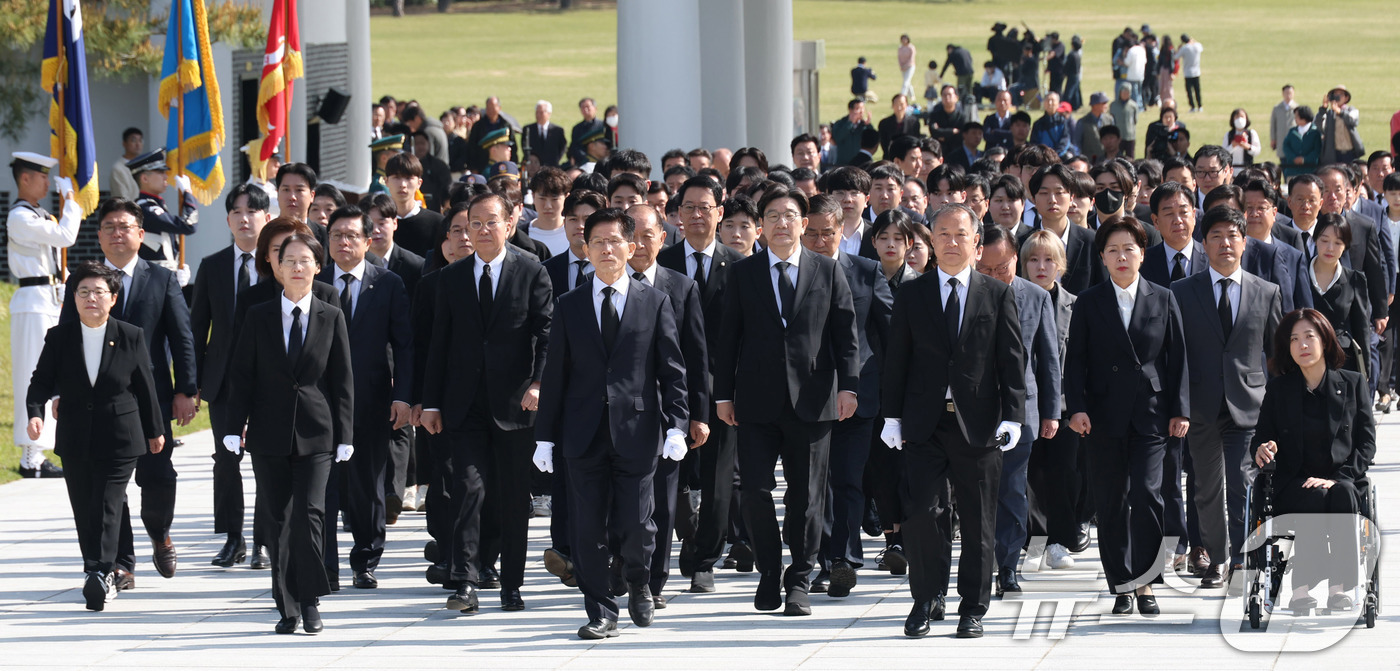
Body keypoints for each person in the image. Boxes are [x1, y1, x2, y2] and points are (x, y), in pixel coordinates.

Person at [533, 208, 688, 639]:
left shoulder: (654, 301)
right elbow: (556, 374)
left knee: (637, 522)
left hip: (637, 431)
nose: (605, 249)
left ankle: (638, 581)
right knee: (587, 527)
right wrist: (544, 437)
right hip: (582, 433)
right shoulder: (569, 304)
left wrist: (677, 422)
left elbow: (672, 368)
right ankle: (601, 610)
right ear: (585, 248)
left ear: (631, 247)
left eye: (614, 241)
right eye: (596, 241)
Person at [713, 185, 860, 616]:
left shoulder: (828, 271)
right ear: (761, 225)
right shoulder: (742, 273)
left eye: (790, 215)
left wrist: (849, 387)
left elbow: (846, 336)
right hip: (755, 401)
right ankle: (768, 571)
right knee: (755, 490)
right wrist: (723, 394)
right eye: (773, 215)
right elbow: (728, 341)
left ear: (803, 223)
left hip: (813, 400)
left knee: (808, 496)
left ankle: (799, 578)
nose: (781, 223)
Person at [882, 203, 1025, 638]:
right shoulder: (912, 293)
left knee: (979, 518)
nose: (950, 242)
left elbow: (1012, 360)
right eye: (942, 234)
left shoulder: (996, 294)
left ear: (976, 244)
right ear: (929, 241)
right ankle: (926, 599)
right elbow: (896, 361)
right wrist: (891, 417)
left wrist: (1014, 416)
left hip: (978, 425)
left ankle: (973, 607)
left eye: (960, 234)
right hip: (924, 424)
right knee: (923, 515)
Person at [419, 194, 552, 613]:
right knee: (468, 489)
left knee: (513, 499)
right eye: (473, 223)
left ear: (509, 224)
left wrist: (538, 383)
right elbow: (437, 345)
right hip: (465, 405)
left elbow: (547, 335)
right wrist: (432, 403)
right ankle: (465, 581)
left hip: (515, 407)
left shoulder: (532, 272)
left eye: (490, 222)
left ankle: (512, 584)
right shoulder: (451, 278)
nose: (480, 230)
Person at [60, 197, 198, 588]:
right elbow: (65, 341)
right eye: (109, 228)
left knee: (156, 478)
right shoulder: (83, 282)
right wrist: (58, 392)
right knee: (108, 486)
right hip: (97, 405)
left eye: (125, 227)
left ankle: (160, 533)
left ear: (140, 234)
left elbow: (182, 337)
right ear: (99, 236)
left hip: (150, 400)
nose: (117, 235)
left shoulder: (162, 278)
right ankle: (122, 563)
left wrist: (186, 389)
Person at [223, 233, 354, 635]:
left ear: (318, 266)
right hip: (268, 434)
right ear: (277, 268)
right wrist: (232, 427)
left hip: (317, 435)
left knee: (311, 517)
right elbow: (242, 376)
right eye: (289, 261)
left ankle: (311, 600)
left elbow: (342, 380)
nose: (297, 267)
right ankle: (287, 603)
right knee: (277, 520)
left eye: (305, 260)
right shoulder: (258, 316)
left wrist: (346, 434)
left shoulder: (331, 315)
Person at [1065, 215, 1189, 616]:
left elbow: (1177, 359)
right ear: (1102, 256)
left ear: (1142, 254)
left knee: (1148, 495)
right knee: (1111, 501)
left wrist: (1180, 410)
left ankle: (1147, 582)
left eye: (1129, 249)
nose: (1122, 256)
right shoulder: (1088, 301)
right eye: (1113, 250)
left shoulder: (1163, 297)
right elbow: (1076, 361)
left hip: (1151, 414)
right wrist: (1076, 407)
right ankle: (1121, 583)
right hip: (1102, 415)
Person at [27, 261, 163, 611]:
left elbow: (145, 387)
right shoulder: (60, 337)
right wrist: (36, 413)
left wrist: (155, 431)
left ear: (113, 298)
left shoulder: (130, 334)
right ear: (73, 299)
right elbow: (40, 381)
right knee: (84, 505)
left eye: (99, 292)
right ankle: (94, 567)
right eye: (83, 292)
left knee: (106, 500)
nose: (91, 298)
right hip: (74, 436)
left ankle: (101, 571)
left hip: (120, 435)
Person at [1171, 207, 1282, 588]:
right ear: (1204, 244)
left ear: (1245, 243)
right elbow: (1176, 353)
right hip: (1199, 407)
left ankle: (1240, 558)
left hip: (1248, 406)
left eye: (1232, 235)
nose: (1225, 243)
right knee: (1205, 487)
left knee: (1241, 480)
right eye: (1216, 236)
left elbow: (1276, 357)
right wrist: (1178, 406)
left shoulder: (1266, 292)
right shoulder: (1182, 292)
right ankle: (1217, 558)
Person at [799, 195, 892, 598]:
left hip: (859, 393)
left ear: (843, 232)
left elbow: (891, 331)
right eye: (813, 234)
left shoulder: (867, 271)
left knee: (848, 480)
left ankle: (843, 559)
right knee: (813, 484)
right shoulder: (793, 274)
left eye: (828, 233)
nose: (820, 241)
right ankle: (821, 559)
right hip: (805, 395)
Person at [1252, 309, 1374, 614]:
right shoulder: (1279, 390)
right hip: (1293, 482)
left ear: (1325, 340)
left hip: (1342, 478)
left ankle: (1339, 589)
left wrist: (1339, 476)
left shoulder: (1353, 383)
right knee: (1314, 494)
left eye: (1309, 336)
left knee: (1342, 492)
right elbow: (1261, 438)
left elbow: (1367, 444)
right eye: (1294, 339)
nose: (1302, 344)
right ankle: (1301, 591)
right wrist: (1263, 448)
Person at [316, 206, 413, 590]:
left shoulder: (387, 283)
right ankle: (325, 564)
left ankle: (366, 559)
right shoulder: (316, 281)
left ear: (368, 241)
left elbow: (405, 346)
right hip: (320, 401)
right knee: (323, 485)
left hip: (371, 399)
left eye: (351, 235)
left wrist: (403, 396)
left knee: (368, 484)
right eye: (336, 235)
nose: (343, 242)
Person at [656, 176, 743, 592]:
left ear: (720, 213)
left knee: (718, 478)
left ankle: (706, 556)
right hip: (668, 384)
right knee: (668, 469)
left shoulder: (741, 266)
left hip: (723, 387)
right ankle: (687, 535)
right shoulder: (662, 261)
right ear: (677, 214)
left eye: (704, 207)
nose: (695, 215)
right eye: (687, 207)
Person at [974, 224, 1059, 597]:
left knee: (1011, 491)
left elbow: (1048, 359)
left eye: (1002, 268)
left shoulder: (1036, 297)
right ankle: (979, 565)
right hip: (972, 409)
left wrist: (1051, 411)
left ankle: (1007, 567)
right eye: (987, 271)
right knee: (977, 493)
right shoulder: (967, 294)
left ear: (1016, 261)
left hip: (1020, 410)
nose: (995, 277)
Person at [190, 185, 272, 567]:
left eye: (252, 211)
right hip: (223, 380)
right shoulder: (213, 265)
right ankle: (234, 538)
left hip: (269, 379)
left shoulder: (279, 265)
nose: (244, 218)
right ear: (227, 220)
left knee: (267, 460)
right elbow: (196, 330)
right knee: (226, 459)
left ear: (266, 218)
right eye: (237, 212)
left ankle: (264, 540)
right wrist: (190, 384)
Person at [8, 152, 81, 478]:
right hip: (31, 301)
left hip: (49, 298)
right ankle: (29, 457)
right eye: (42, 177)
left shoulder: (38, 214)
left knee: (52, 374)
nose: (48, 182)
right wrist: (70, 200)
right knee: (31, 374)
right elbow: (66, 237)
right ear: (25, 178)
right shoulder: (19, 217)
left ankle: (42, 450)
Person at [1020, 231, 1082, 570]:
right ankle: (1034, 542)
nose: (1041, 267)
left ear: (1061, 265)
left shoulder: (1075, 305)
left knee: (1062, 474)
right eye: (1033, 259)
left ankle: (1060, 541)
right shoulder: (1012, 298)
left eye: (1048, 260)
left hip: (1064, 406)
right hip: (1024, 404)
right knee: (1027, 475)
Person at [1307, 213, 1373, 378]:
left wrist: (1365, 373)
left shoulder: (1354, 279)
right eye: (1324, 240)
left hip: (1343, 362)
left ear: (1345, 246)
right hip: (1305, 359)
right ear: (1314, 239)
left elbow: (1362, 329)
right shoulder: (1299, 274)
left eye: (1338, 242)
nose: (1330, 248)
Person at [128, 150, 197, 274]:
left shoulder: (154, 205)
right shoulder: (145, 209)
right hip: (152, 279)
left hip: (162, 277)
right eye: (160, 172)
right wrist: (188, 193)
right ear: (144, 178)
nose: (166, 176)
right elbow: (189, 225)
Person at [1318, 85, 1365, 166]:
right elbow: (1318, 126)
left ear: (1346, 98)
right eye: (1335, 94)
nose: (1337, 97)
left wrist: (1340, 112)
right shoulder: (1329, 114)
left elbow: (1353, 121)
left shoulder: (1351, 110)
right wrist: (1323, 108)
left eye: (1340, 95)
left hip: (1350, 153)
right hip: (1334, 154)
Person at [522, 100, 567, 168]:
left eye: (541, 112)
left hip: (552, 166)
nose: (538, 115)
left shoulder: (557, 131)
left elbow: (562, 147)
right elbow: (524, 145)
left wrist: (555, 160)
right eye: (537, 112)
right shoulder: (528, 129)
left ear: (549, 114)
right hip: (533, 168)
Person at [1281, 106, 1322, 178]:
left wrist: (1304, 160)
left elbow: (1317, 150)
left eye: (1297, 116)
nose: (1295, 119)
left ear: (1304, 117)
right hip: (1292, 171)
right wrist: (1294, 158)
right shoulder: (1292, 131)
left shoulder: (1315, 132)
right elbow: (1286, 146)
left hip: (1310, 171)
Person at [569, 98, 606, 168]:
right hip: (582, 163)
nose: (585, 109)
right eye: (583, 107)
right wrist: (585, 159)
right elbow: (575, 147)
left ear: (595, 108)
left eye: (588, 107)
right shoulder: (577, 128)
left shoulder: (603, 126)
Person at [109, 128, 143, 201]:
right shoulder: (118, 168)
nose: (138, 144)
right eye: (133, 140)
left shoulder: (143, 166)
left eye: (140, 140)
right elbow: (122, 197)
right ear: (124, 143)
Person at [1174, 34, 1204, 113]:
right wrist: (1193, 41)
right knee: (1197, 90)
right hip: (1197, 72)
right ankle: (1200, 106)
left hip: (1188, 72)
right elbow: (1200, 47)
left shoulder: (1184, 48)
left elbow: (1176, 57)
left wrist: (1178, 49)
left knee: (1189, 91)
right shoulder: (1197, 46)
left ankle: (1193, 106)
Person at [1109, 86, 1140, 158]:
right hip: (1117, 136)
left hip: (1130, 136)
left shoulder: (1133, 105)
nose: (1125, 94)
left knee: (1130, 157)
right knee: (1116, 157)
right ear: (1120, 93)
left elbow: (1135, 120)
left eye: (1127, 92)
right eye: (1124, 92)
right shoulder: (1113, 105)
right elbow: (1111, 120)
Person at [1270, 85, 1298, 162]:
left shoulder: (1297, 108)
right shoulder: (1277, 108)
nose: (1288, 95)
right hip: (1281, 140)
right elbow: (1273, 125)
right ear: (1283, 94)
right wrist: (1273, 139)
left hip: (1293, 141)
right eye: (1286, 93)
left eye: (1290, 93)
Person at [1157, 34, 1177, 110]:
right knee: (1161, 87)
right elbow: (1160, 61)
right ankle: (1163, 102)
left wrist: (1172, 72)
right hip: (1163, 69)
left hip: (1168, 70)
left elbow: (1172, 62)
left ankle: (1170, 102)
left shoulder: (1170, 49)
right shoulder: (1163, 49)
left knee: (1168, 87)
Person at [897, 35, 916, 101]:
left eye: (905, 39)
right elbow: (899, 57)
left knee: (906, 82)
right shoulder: (900, 48)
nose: (904, 41)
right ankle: (912, 96)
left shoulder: (911, 47)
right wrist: (901, 66)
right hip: (903, 67)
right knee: (908, 82)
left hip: (910, 66)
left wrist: (906, 66)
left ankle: (903, 96)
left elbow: (912, 58)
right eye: (902, 39)